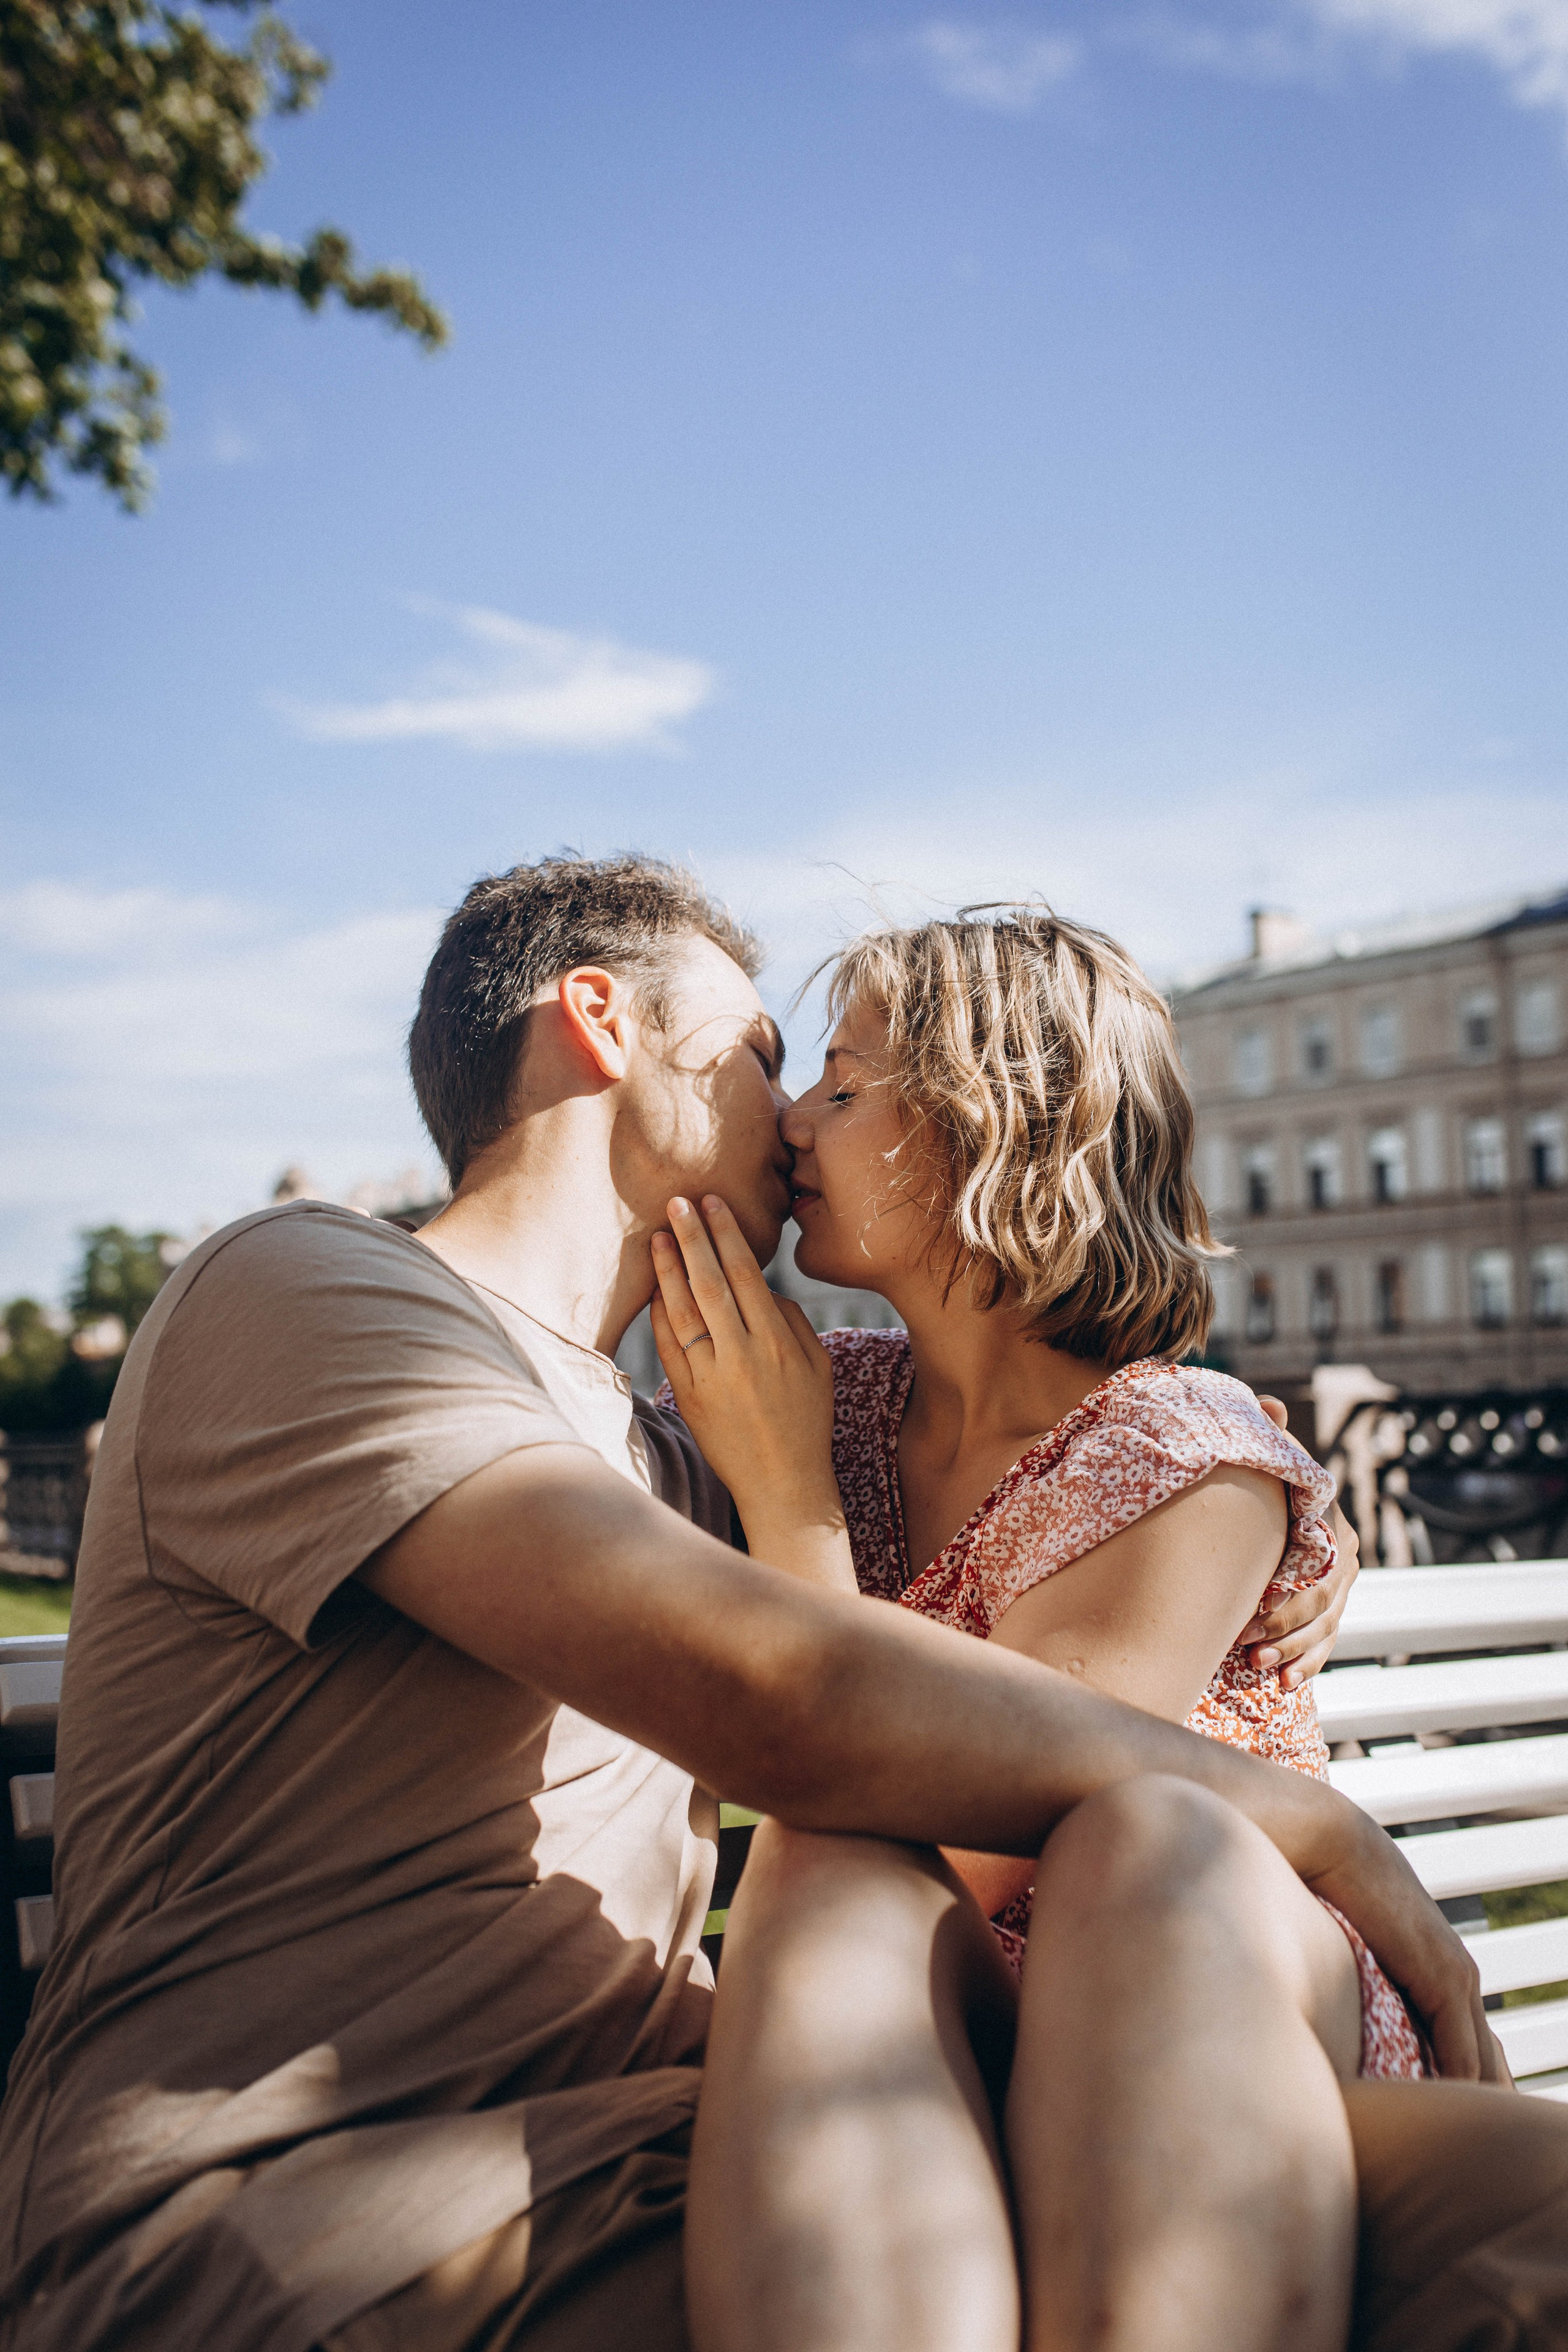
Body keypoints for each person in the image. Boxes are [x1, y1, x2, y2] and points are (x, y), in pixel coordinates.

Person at [0, 856, 1537, 2352]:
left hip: (726, 2133)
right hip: (349, 2204)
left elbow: (1003, 1568)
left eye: (826, 1078)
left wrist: (1252, 1550)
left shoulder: (681, 1446)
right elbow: (801, 1703)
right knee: (873, 1873)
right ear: (599, 1025)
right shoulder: (317, 1292)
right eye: (756, 1055)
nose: (790, 1111)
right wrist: (1312, 1821)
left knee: (1525, 2206)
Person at [650, 907, 1418, 2075]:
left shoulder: (1179, 1459)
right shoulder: (834, 1394)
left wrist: (790, 1496)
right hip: (938, 2065)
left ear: (996, 1134)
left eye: (844, 1091)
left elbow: (929, 1874)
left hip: (1203, 2053)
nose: (790, 1124)